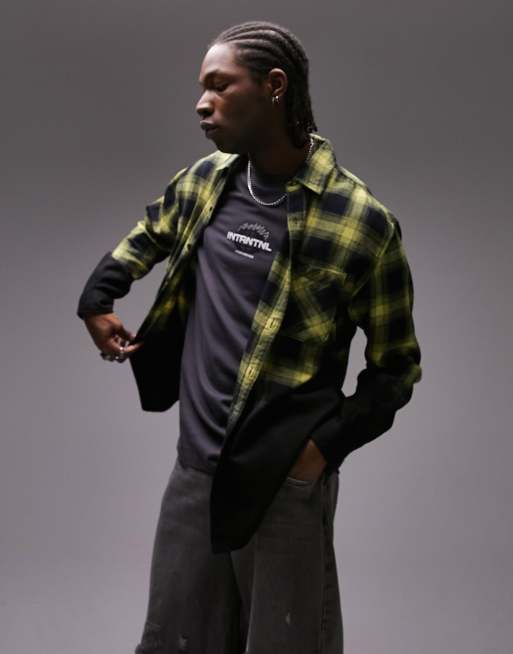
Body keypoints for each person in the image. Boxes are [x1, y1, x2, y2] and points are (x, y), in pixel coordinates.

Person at [77, 20, 422, 654]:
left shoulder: (360, 221)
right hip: (195, 472)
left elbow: (396, 369)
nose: (201, 103)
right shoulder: (206, 182)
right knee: (173, 642)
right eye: (201, 87)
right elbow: (150, 233)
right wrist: (97, 301)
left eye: (219, 85)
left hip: (281, 483)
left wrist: (320, 452)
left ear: (274, 86)